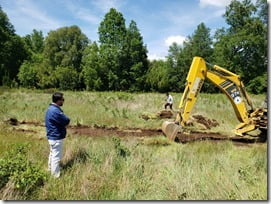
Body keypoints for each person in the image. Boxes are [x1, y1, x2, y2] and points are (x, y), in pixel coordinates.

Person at [45, 92, 70, 178]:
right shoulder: (55, 110)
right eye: (62, 99)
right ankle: (55, 176)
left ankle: (50, 169)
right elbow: (66, 120)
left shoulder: (50, 108)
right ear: (58, 100)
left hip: (51, 136)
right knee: (56, 157)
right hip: (56, 137)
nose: (63, 101)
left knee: (52, 154)